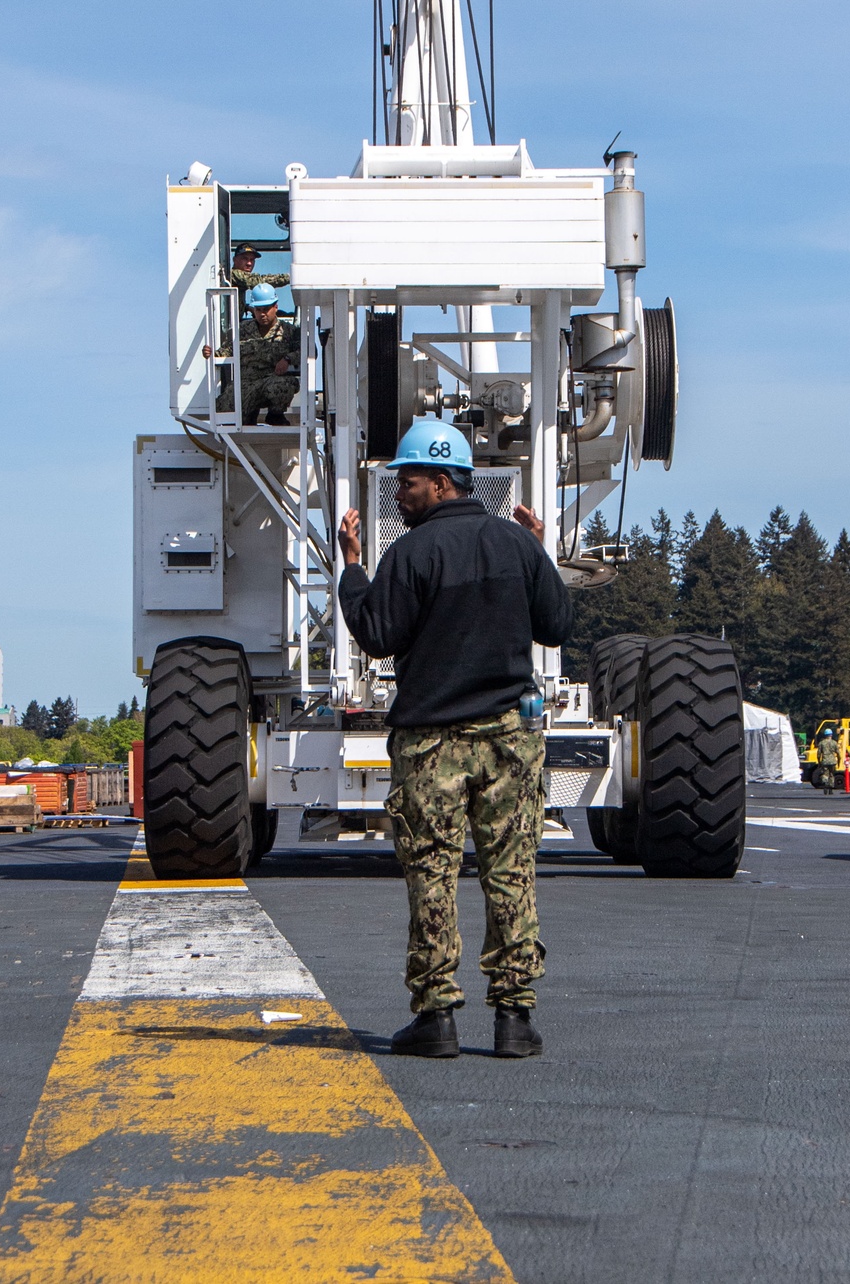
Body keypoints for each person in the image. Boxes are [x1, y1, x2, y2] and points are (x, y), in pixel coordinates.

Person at [336, 421, 573, 1060]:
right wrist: (537, 553)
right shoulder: (515, 545)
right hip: (506, 740)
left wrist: (352, 568)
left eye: (407, 482)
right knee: (511, 872)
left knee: (432, 874)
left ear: (442, 482)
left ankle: (436, 1016)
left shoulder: (410, 554)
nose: (398, 493)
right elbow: (556, 625)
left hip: (430, 744)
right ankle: (515, 1018)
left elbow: (377, 633)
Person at [203, 277, 300, 425]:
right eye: (258, 310)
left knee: (286, 384)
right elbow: (226, 350)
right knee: (224, 411)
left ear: (275, 307)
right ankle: (248, 416)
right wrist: (211, 354)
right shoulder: (242, 330)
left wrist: (287, 359)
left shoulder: (289, 331)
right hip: (245, 385)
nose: (262, 314)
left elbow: (308, 351)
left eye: (266, 309)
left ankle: (275, 414)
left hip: (270, 382)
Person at [815, 728, 839, 795]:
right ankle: (831, 789)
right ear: (831, 735)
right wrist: (839, 761)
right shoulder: (834, 743)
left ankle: (825, 786)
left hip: (825, 761)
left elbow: (819, 754)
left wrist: (819, 762)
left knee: (825, 774)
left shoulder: (821, 743)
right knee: (831, 774)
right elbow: (838, 753)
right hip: (832, 761)